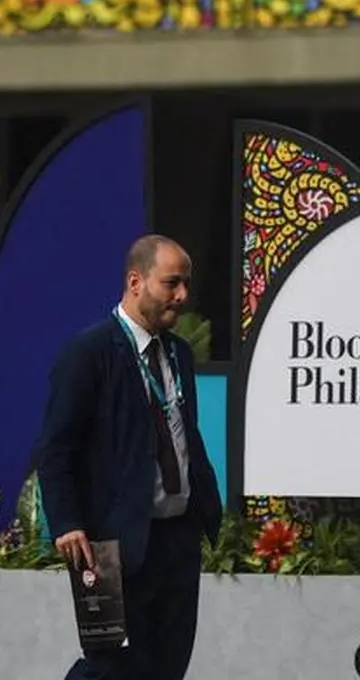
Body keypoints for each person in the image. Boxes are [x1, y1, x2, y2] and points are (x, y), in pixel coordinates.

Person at [35, 234, 222, 680]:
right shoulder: (89, 353)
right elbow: (56, 446)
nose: (182, 295)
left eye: (186, 284)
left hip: (176, 538)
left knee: (167, 665)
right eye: (171, 283)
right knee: (108, 668)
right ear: (135, 282)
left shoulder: (177, 352)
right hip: (110, 544)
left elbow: (183, 434)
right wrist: (67, 522)